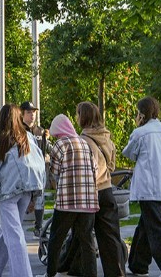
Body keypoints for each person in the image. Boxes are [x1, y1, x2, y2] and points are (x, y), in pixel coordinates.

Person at [58, 102, 125, 276]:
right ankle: (116, 272)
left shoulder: (83, 141)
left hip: (90, 192)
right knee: (110, 236)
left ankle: (75, 267)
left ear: (84, 117)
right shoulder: (106, 138)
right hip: (107, 190)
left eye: (77, 114)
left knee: (83, 233)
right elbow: (111, 166)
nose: (76, 118)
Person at [122, 96, 161, 277]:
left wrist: (137, 128)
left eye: (137, 113)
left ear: (142, 114)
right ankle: (137, 265)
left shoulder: (141, 133)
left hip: (147, 188)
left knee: (156, 228)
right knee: (145, 226)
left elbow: (129, 153)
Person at [0, 104, 46, 277]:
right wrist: (36, 194)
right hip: (25, 190)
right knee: (12, 230)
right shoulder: (26, 136)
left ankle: (23, 274)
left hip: (7, 192)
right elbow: (37, 165)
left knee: (15, 234)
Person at [38, 114, 99, 277]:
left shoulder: (60, 145)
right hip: (88, 201)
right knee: (87, 241)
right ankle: (91, 274)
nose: (57, 136)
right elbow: (95, 169)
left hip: (68, 201)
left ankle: (50, 273)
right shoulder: (85, 143)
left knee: (56, 239)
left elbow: (55, 172)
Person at [20, 101, 51, 238]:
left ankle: (38, 227)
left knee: (39, 198)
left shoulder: (40, 131)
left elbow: (46, 149)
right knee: (23, 199)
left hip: (39, 171)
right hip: (24, 171)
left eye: (34, 112)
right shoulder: (19, 130)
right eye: (28, 112)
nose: (32, 115)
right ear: (22, 114)